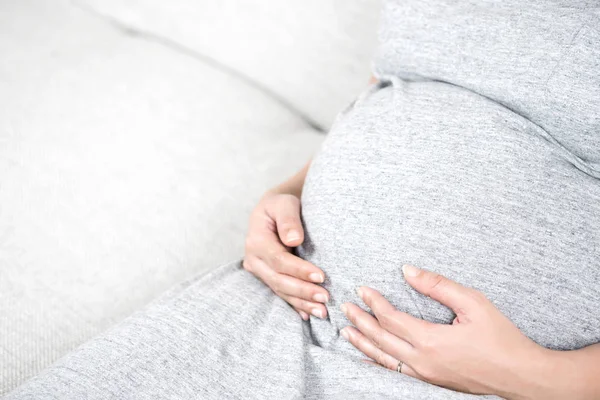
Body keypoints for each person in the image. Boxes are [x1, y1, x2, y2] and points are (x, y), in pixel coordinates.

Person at [7, 0, 600, 399]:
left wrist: (541, 377)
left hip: (474, 383)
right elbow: (405, 81)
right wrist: (293, 189)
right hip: (275, 308)